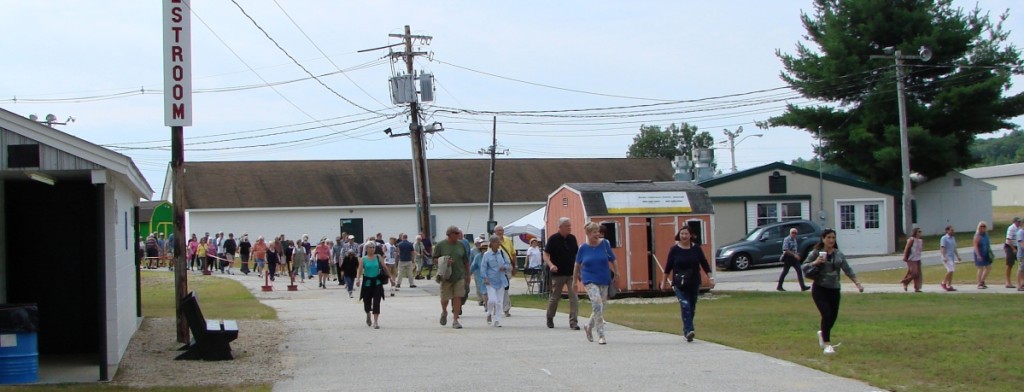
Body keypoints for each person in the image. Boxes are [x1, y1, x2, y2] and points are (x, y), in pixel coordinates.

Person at [804, 229, 863, 355]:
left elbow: (847, 269)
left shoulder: (838, 254)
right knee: (826, 314)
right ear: (823, 239)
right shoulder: (816, 253)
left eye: (833, 238)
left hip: (834, 289)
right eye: (828, 237)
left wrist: (857, 283)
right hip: (820, 288)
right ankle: (827, 344)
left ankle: (822, 333)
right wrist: (816, 262)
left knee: (833, 316)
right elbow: (804, 266)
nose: (831, 240)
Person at [663, 226, 713, 343]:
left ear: (691, 235)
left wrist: (710, 277)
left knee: (691, 307)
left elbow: (704, 263)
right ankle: (689, 330)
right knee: (685, 305)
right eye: (682, 234)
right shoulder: (674, 250)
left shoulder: (696, 249)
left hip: (693, 281)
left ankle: (686, 330)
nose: (684, 236)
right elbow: (668, 266)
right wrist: (664, 281)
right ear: (679, 236)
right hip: (679, 283)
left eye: (686, 234)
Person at [575, 222, 616, 344]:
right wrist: (574, 281)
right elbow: (577, 265)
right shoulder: (583, 248)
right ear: (588, 233)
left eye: (598, 232)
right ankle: (601, 335)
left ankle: (588, 326)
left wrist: (617, 272)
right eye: (594, 232)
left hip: (604, 278)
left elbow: (612, 259)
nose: (597, 234)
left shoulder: (605, 244)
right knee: (597, 304)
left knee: (601, 306)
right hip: (589, 279)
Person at [544, 217, 580, 330]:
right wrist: (551, 265)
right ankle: (550, 317)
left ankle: (573, 322)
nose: (570, 228)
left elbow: (577, 256)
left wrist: (579, 271)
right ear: (560, 227)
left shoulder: (572, 239)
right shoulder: (553, 239)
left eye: (570, 225)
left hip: (571, 273)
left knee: (574, 297)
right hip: (558, 273)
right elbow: (545, 255)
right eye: (567, 226)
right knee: (555, 297)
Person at [433, 226, 470, 329]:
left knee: (458, 297)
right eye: (457, 233)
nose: (459, 235)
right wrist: (444, 261)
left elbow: (466, 261)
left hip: (459, 276)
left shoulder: (461, 245)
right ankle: (444, 312)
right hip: (446, 276)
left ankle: (455, 320)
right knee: (445, 298)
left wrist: (468, 274)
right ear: (450, 234)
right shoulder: (440, 245)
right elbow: (434, 259)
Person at [356, 242, 392, 329]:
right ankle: (368, 313)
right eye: (370, 247)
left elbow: (385, 267)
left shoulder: (378, 257)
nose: (372, 249)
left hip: (377, 281)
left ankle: (376, 322)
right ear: (366, 249)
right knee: (367, 301)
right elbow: (360, 270)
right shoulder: (363, 259)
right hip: (367, 281)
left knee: (377, 301)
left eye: (373, 247)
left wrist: (391, 278)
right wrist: (358, 279)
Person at [482, 235, 512, 328]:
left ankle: (497, 320)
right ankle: (489, 313)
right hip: (490, 280)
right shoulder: (486, 255)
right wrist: (485, 277)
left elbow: (508, 263)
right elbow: (483, 268)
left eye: (499, 242)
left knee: (499, 302)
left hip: (501, 280)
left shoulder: (501, 253)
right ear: (492, 243)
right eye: (497, 242)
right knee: (492, 300)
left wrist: (505, 267)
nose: (499, 243)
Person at [776, 227, 810, 291]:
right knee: (785, 272)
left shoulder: (794, 239)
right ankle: (779, 286)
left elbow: (794, 249)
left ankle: (803, 287)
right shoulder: (787, 239)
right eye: (793, 233)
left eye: (795, 233)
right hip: (788, 258)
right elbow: (785, 249)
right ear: (790, 233)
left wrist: (797, 255)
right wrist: (794, 255)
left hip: (794, 258)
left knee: (799, 271)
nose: (794, 234)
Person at [493, 225, 516, 317]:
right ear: (495, 232)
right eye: (498, 230)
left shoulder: (508, 240)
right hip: (496, 269)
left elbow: (513, 254)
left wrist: (515, 266)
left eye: (501, 230)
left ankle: (506, 308)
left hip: (507, 267)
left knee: (505, 287)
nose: (500, 232)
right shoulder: (492, 241)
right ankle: (498, 308)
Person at [900, 228, 924, 292]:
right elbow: (907, 248)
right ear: (915, 232)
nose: (920, 233)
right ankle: (905, 281)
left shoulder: (920, 241)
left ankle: (917, 288)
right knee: (914, 272)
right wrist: (905, 257)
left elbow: (920, 250)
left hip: (918, 258)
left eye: (920, 231)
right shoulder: (911, 239)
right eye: (918, 231)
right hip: (911, 258)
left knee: (918, 274)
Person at [939, 226, 961, 291]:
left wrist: (958, 256)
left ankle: (949, 285)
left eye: (953, 230)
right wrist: (944, 257)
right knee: (950, 270)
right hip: (946, 256)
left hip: (951, 257)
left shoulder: (953, 238)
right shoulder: (944, 238)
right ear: (947, 231)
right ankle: (943, 283)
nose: (952, 231)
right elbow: (942, 248)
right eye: (951, 230)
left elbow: (954, 248)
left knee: (952, 271)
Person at [973, 221, 993, 289]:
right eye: (981, 226)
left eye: (984, 226)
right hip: (979, 253)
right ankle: (979, 283)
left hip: (986, 253)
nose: (982, 228)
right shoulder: (977, 235)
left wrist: (990, 251)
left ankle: (982, 281)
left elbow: (988, 244)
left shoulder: (986, 235)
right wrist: (978, 255)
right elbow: (975, 245)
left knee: (989, 267)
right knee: (980, 268)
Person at [469, 240, 488, 307]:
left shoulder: (492, 256)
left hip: (492, 277)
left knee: (491, 292)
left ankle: (491, 305)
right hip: (481, 277)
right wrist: (469, 273)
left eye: (486, 249)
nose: (485, 250)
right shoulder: (478, 257)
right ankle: (486, 304)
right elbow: (473, 266)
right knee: (484, 291)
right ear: (481, 249)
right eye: (483, 249)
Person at [1004, 217, 1021, 288]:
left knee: (1021, 264)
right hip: (1009, 247)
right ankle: (1008, 282)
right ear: (1014, 222)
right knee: (1009, 264)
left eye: (1020, 222)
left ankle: (1021, 282)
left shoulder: (1019, 229)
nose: (1019, 223)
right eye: (1018, 222)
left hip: (1017, 247)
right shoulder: (1011, 228)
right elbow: (1008, 240)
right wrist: (1013, 249)